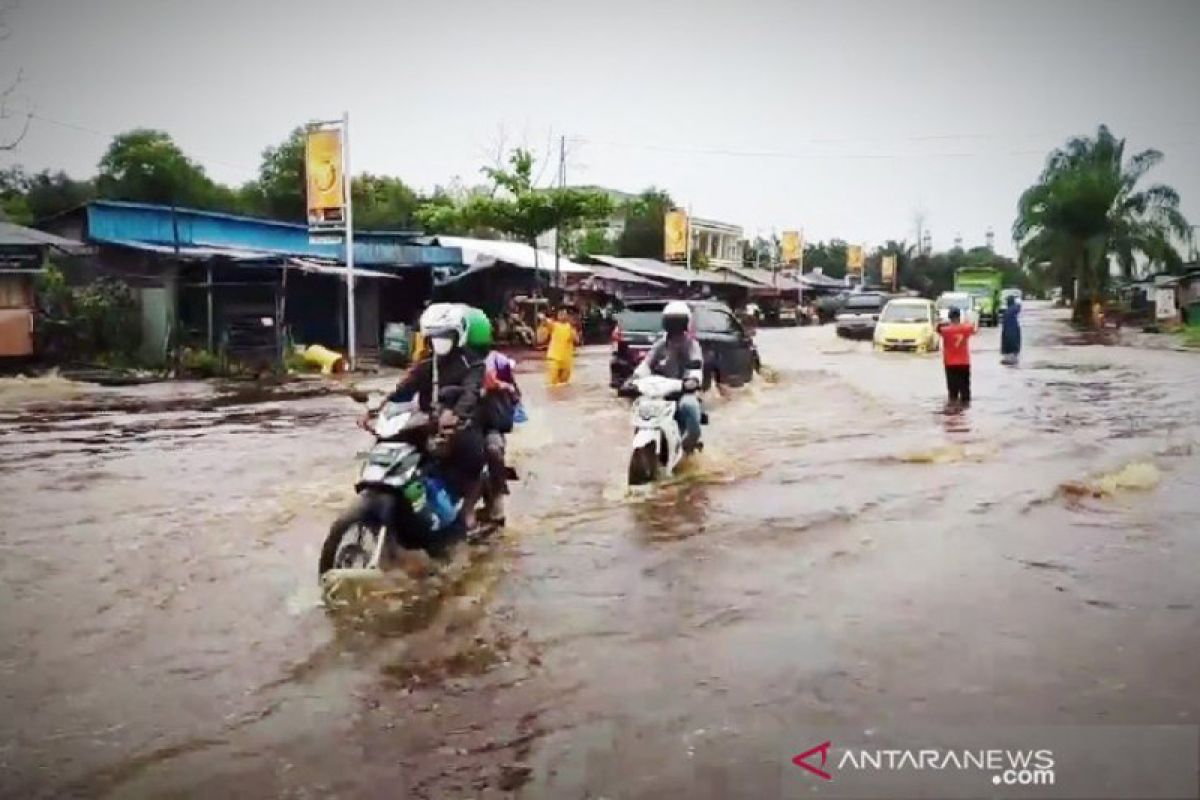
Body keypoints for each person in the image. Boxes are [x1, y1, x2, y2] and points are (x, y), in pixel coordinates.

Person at [385, 303, 487, 529]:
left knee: (473, 453)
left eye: (445, 335)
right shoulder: (426, 365)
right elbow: (403, 390)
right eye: (434, 336)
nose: (439, 340)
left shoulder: (472, 364)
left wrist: (457, 414)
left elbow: (470, 393)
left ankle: (467, 509)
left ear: (458, 335)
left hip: (462, 425)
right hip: (428, 422)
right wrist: (376, 407)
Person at [463, 307, 520, 526]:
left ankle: (496, 501)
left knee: (493, 450)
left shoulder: (498, 362)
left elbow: (514, 393)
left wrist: (498, 388)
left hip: (486, 423)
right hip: (450, 422)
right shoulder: (439, 362)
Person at [626, 301, 704, 453]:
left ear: (685, 323)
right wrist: (633, 379)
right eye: (671, 321)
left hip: (683, 391)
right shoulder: (660, 344)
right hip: (660, 393)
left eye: (678, 321)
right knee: (642, 407)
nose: (675, 326)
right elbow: (646, 364)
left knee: (690, 407)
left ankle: (688, 446)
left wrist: (693, 379)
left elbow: (697, 364)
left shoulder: (691, 345)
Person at [937, 307, 975, 405]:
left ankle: (953, 412)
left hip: (950, 364)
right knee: (965, 391)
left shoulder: (945, 330)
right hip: (964, 363)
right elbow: (973, 327)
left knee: (953, 393)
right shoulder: (966, 328)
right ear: (959, 317)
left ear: (950, 317)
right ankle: (965, 410)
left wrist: (944, 323)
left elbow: (937, 328)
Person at [543, 308, 580, 387]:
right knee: (552, 383)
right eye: (560, 314)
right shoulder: (554, 325)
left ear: (567, 316)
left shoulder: (571, 327)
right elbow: (546, 322)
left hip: (566, 359)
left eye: (564, 314)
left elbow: (577, 341)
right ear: (557, 316)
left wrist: (573, 333)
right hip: (554, 358)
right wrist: (543, 318)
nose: (562, 316)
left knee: (564, 384)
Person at [1000, 294, 1022, 364]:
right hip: (1012, 331)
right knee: (1013, 345)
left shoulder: (1007, 311)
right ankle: (1012, 358)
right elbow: (1018, 308)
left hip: (1008, 332)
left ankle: (1009, 358)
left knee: (1009, 345)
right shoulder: (1011, 310)